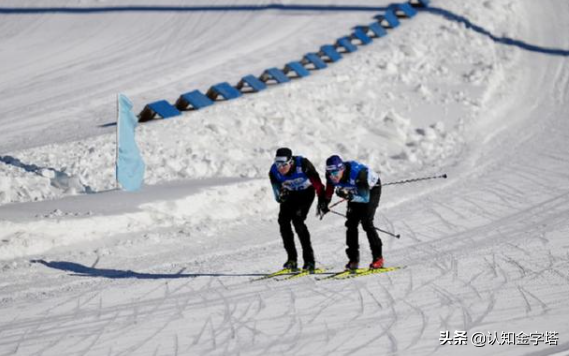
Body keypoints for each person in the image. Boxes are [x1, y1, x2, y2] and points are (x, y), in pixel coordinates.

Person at [317, 155, 384, 270]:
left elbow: (364, 198)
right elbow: (329, 188)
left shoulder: (358, 173)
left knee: (367, 223)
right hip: (353, 191)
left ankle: (378, 258)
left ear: (342, 169)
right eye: (330, 174)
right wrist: (325, 202)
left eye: (335, 174)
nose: (333, 177)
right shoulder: (331, 175)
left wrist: (349, 195)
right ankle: (353, 259)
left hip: (370, 191)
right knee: (351, 224)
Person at [269, 147, 324, 272]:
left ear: (291, 162)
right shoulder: (273, 171)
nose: (281, 168)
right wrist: (282, 195)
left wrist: (322, 201)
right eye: (278, 164)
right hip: (291, 195)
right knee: (283, 221)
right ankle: (292, 259)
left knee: (298, 221)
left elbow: (318, 184)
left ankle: (309, 261)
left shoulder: (303, 164)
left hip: (306, 193)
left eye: (284, 164)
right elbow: (277, 196)